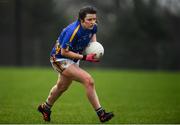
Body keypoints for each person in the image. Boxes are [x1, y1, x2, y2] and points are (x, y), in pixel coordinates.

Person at [37, 6, 114, 123]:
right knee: (88, 80)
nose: (93, 22)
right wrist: (85, 57)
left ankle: (45, 108)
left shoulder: (93, 27)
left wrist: (95, 49)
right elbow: (64, 52)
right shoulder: (72, 31)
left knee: (62, 87)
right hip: (59, 59)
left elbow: (93, 37)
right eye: (89, 19)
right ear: (81, 20)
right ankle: (101, 114)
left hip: (73, 57)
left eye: (94, 19)